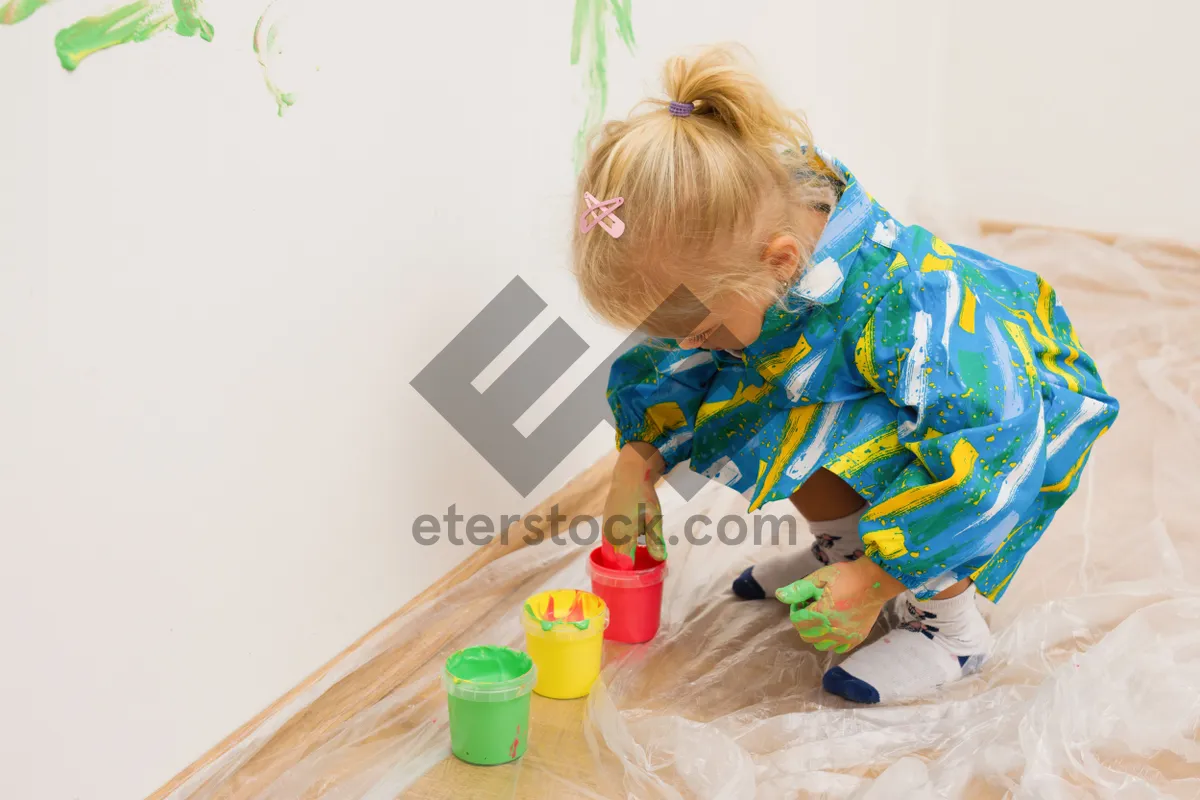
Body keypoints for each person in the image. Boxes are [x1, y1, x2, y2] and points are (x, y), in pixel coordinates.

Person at [571, 46, 1118, 703]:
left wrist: (879, 580)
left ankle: (950, 628)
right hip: (906, 392)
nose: (683, 348)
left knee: (849, 422)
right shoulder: (750, 248)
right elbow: (677, 361)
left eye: (700, 329)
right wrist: (637, 462)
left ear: (780, 264)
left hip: (1013, 419)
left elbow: (989, 448)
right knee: (772, 397)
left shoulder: (909, 306)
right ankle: (844, 547)